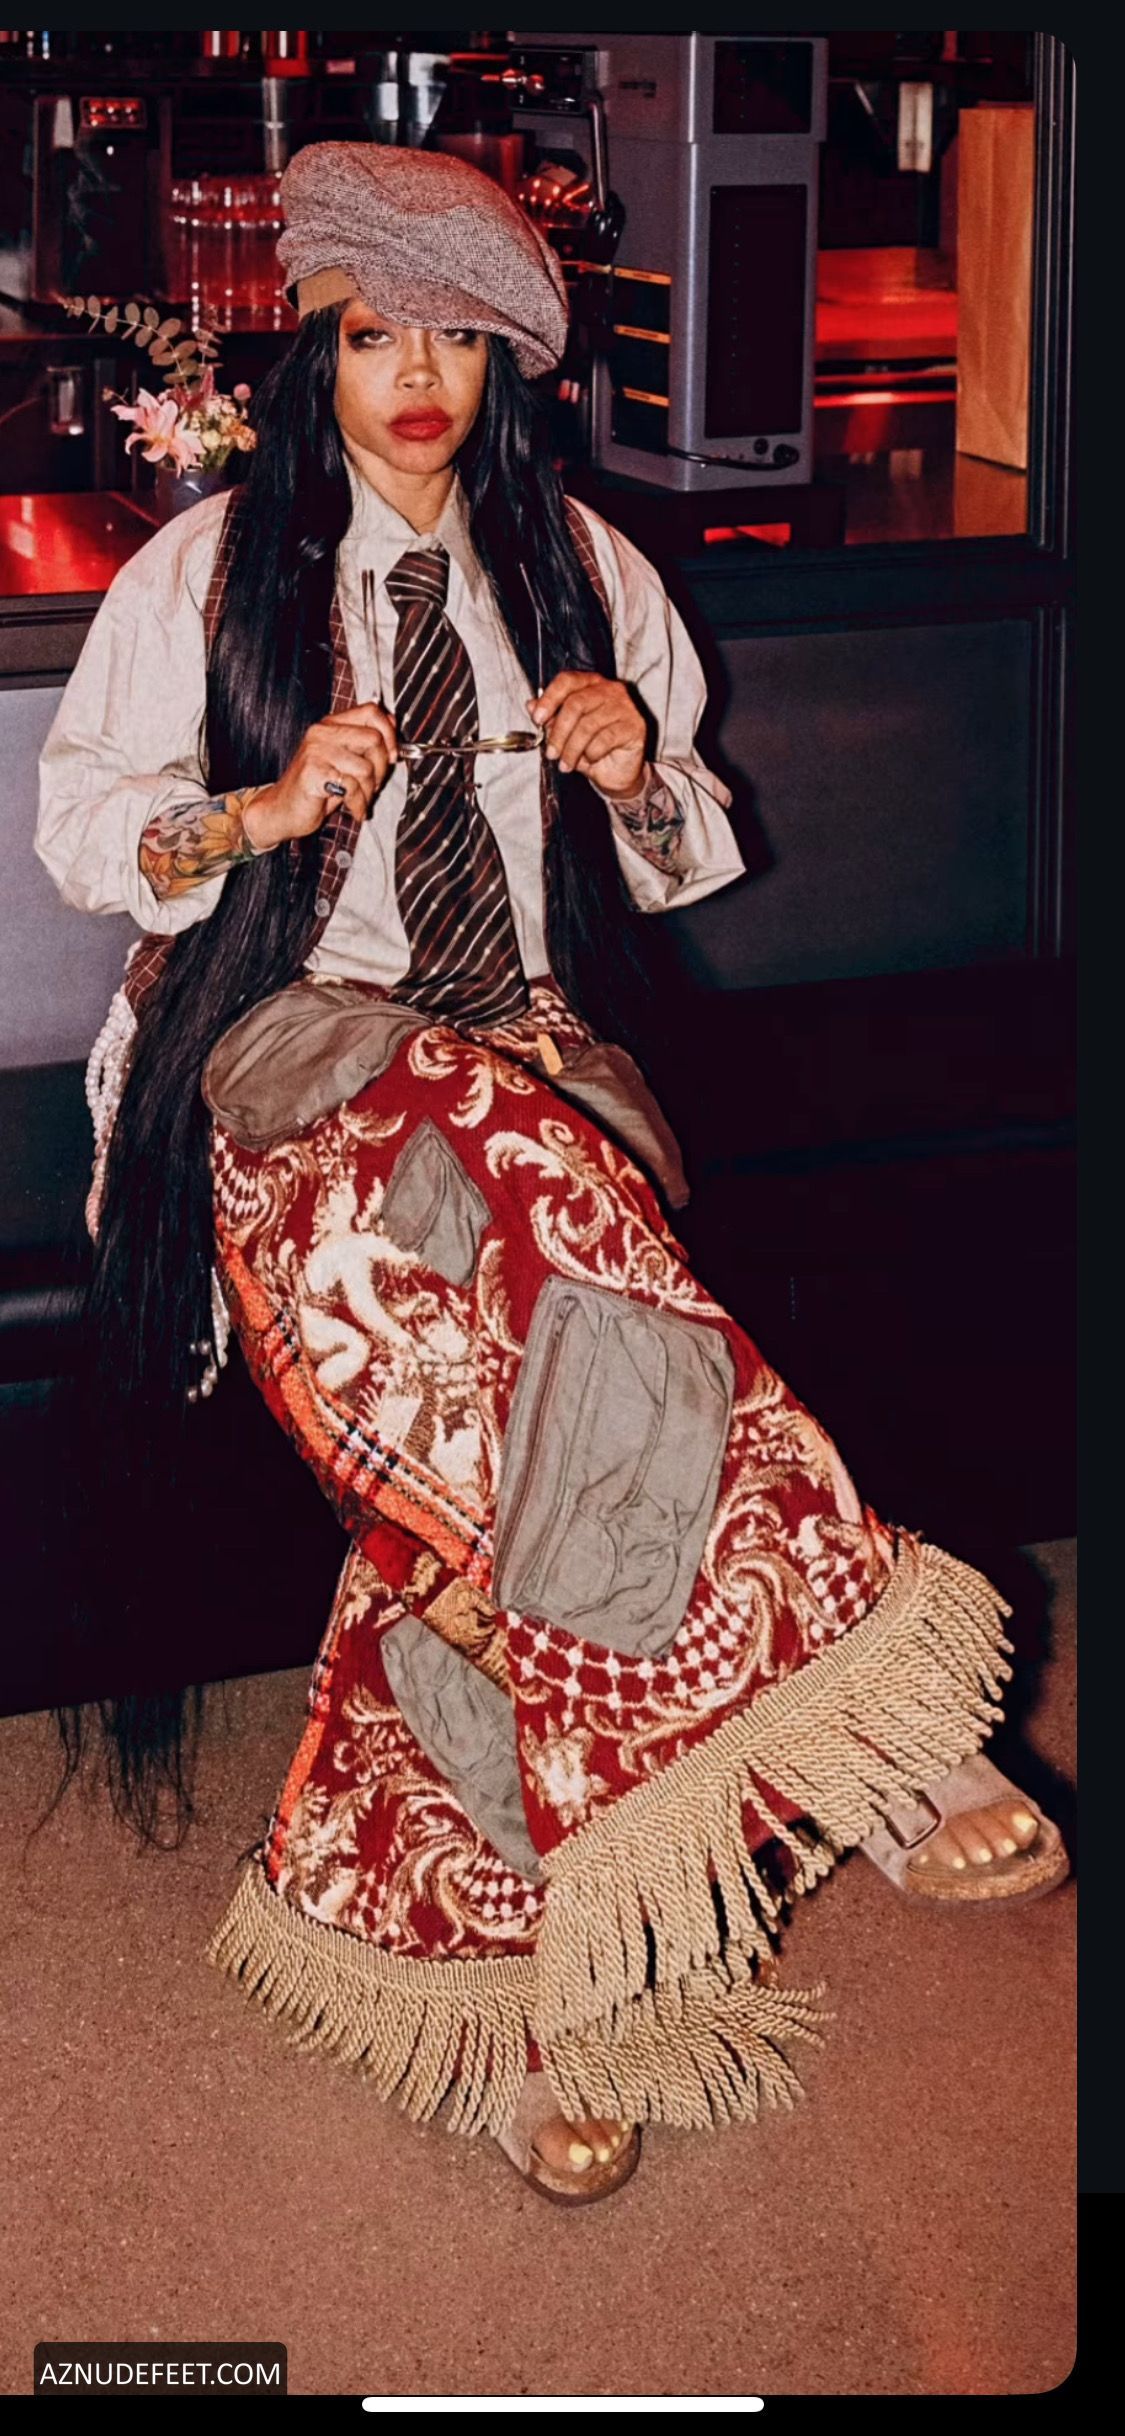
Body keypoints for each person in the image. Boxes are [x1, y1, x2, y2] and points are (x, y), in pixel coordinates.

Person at [36, 143, 1067, 2207]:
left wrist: (635, 774)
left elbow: (685, 857)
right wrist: (255, 812)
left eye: (455, 339)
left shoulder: (581, 567)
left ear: (510, 365)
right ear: (314, 355)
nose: (415, 378)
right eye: (372, 337)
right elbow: (79, 838)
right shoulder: (209, 571)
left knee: (495, 1465)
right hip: (286, 1073)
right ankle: (845, 1702)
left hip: (532, 1060)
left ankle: (517, 2006)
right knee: (505, 1177)